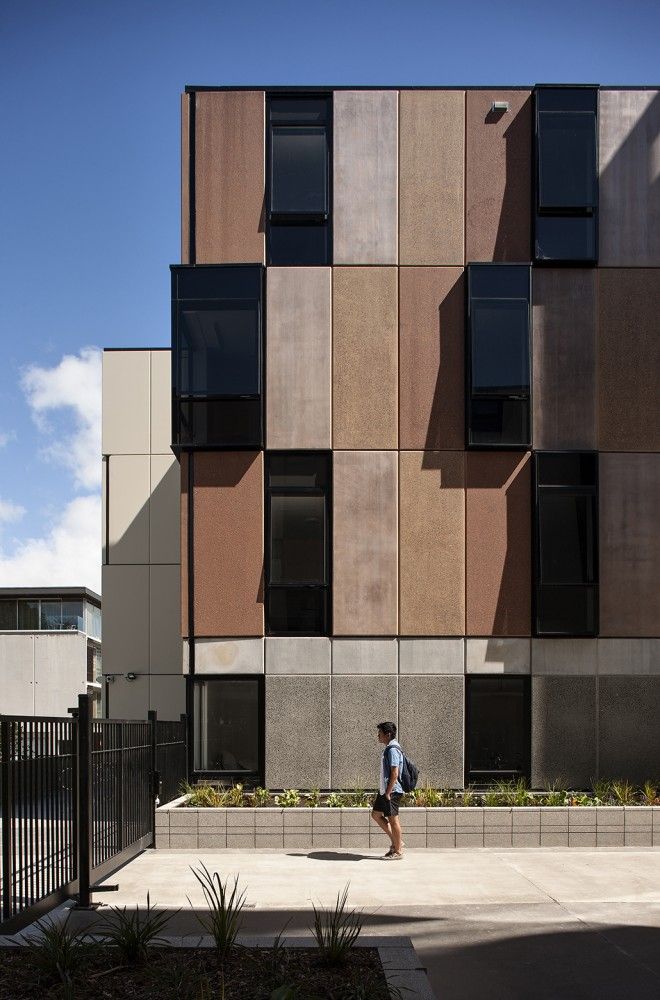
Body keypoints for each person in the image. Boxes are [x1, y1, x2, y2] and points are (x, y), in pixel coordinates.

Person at [371, 721, 405, 860]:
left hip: (392, 791)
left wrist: (388, 793)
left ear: (388, 734)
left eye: (380, 733)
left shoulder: (392, 750)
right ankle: (398, 843)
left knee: (393, 820)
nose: (378, 735)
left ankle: (397, 851)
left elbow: (395, 773)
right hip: (385, 790)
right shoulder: (388, 748)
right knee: (376, 815)